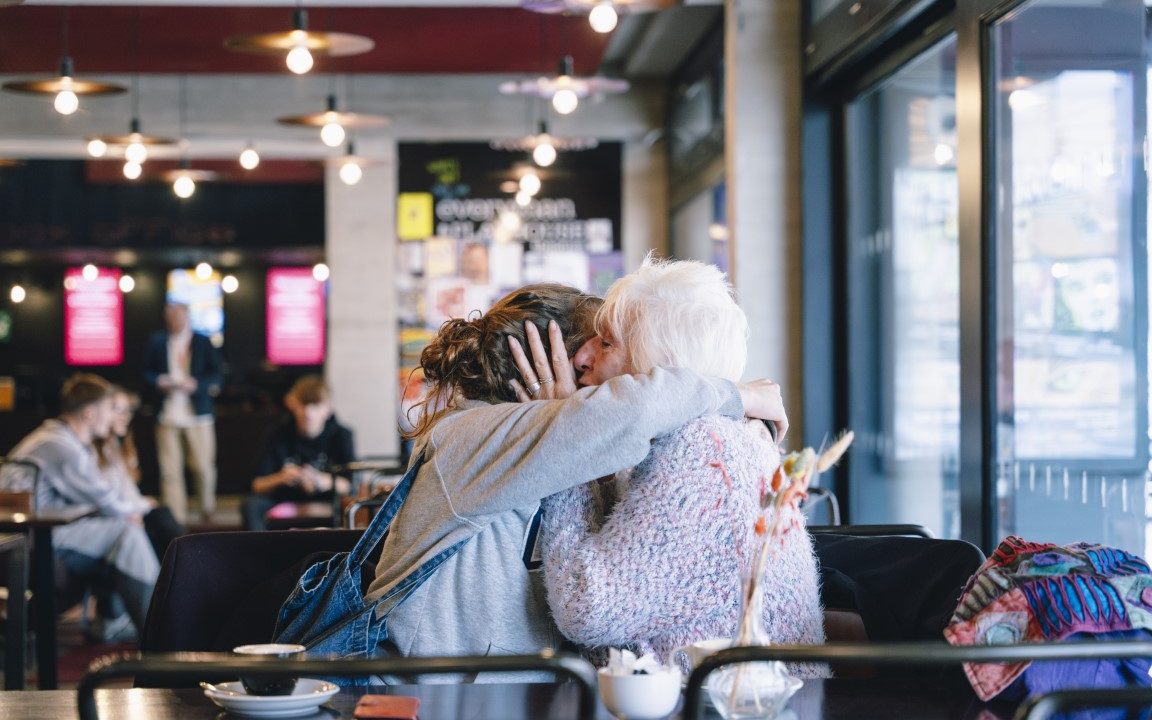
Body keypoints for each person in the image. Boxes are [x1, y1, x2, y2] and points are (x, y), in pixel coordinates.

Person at [361, 282, 787, 675]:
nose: (594, 363)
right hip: (437, 694)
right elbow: (634, 409)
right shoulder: (469, 435)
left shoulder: (568, 443)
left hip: (525, 691)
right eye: (592, 347)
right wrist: (737, 393)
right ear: (552, 361)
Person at [532, 257, 826, 675]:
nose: (581, 356)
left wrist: (565, 442)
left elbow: (586, 606)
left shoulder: (702, 455)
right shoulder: (717, 437)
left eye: (607, 343)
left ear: (660, 369)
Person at [0, 374, 159, 637]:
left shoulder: (61, 438)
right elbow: (107, 501)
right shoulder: (60, 445)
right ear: (89, 412)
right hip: (25, 537)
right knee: (126, 532)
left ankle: (125, 621)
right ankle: (160, 632)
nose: (113, 418)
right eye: (110, 410)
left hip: (38, 531)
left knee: (123, 529)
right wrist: (136, 509)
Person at [142, 302, 224, 524]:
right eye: (170, 317)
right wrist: (159, 381)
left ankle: (207, 510)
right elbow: (145, 372)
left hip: (198, 414)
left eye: (179, 316)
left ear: (187, 317)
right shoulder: (157, 341)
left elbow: (217, 375)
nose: (174, 321)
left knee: (203, 466)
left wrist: (197, 385)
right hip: (168, 414)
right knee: (170, 471)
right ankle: (176, 519)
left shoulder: (202, 341)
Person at [241, 375, 356, 531]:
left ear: (327, 409)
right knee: (251, 504)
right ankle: (260, 553)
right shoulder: (278, 433)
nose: (308, 412)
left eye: (314, 405)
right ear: (293, 404)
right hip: (284, 497)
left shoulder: (341, 435)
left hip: (326, 498)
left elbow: (349, 485)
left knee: (351, 506)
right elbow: (256, 485)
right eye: (303, 404)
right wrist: (281, 477)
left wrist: (320, 480)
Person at [93, 385, 186, 562]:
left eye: (127, 411)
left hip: (126, 510)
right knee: (159, 520)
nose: (125, 416)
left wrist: (140, 504)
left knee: (160, 515)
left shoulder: (119, 446)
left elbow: (127, 489)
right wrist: (137, 508)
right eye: (117, 410)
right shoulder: (93, 449)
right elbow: (106, 496)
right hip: (110, 516)